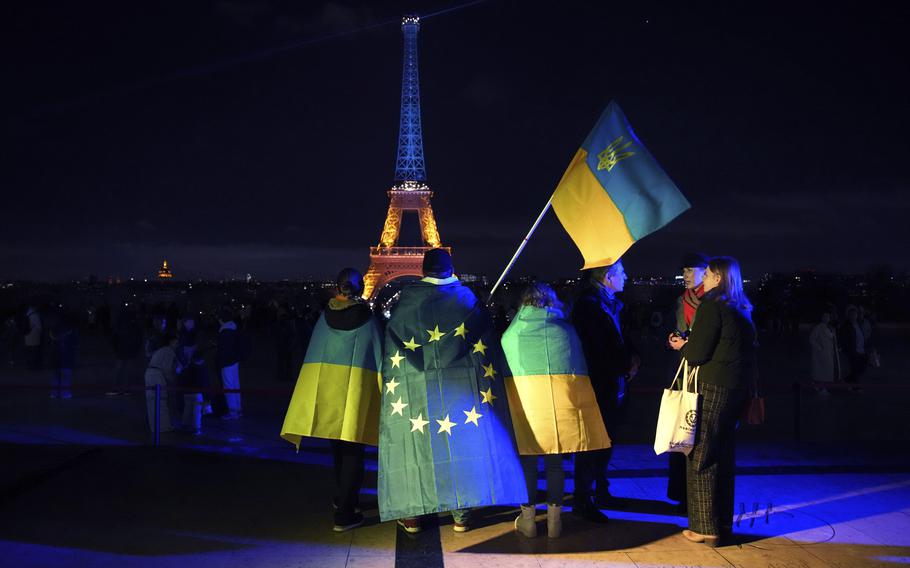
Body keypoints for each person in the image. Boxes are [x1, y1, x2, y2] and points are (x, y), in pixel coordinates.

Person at [377, 249, 526, 533]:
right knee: (460, 445)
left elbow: (393, 341)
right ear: (451, 268)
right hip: (462, 389)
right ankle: (462, 512)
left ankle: (413, 514)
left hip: (418, 389)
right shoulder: (467, 299)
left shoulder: (408, 301)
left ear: (423, 269)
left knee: (417, 446)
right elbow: (487, 343)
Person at [502, 282, 611, 539]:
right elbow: (578, 369)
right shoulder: (566, 330)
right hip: (560, 407)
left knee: (528, 464)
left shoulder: (512, 333)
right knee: (555, 464)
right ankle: (554, 522)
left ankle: (528, 521)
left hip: (526, 408)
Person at [281, 268, 383, 532]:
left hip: (328, 394)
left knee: (338, 450)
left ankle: (343, 500)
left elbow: (313, 356)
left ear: (338, 288)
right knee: (354, 451)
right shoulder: (369, 321)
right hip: (355, 394)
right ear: (360, 288)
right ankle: (346, 513)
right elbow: (380, 357)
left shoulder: (323, 319)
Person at [669, 256, 757, 547]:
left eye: (706, 274)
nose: (701, 278)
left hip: (712, 386)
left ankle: (705, 527)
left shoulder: (711, 306)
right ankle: (722, 522)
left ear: (718, 278)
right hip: (735, 389)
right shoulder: (742, 308)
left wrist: (683, 346)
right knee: (723, 456)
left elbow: (697, 354)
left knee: (702, 455)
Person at [570, 260, 639, 520]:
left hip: (611, 383)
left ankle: (600, 489)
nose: (626, 276)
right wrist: (624, 363)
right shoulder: (589, 307)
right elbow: (597, 350)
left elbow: (621, 339)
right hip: (597, 384)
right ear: (608, 277)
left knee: (606, 439)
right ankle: (583, 498)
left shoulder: (607, 304)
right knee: (592, 442)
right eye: (621, 273)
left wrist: (633, 358)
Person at [667, 253, 709, 511]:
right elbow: (680, 329)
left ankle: (697, 497)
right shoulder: (681, 301)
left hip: (705, 373)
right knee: (682, 433)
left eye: (691, 270)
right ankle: (681, 495)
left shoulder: (714, 301)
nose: (686, 275)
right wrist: (675, 338)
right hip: (685, 373)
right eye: (684, 270)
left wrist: (687, 343)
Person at [145, 333, 179, 433]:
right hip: (157, 375)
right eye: (176, 342)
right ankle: (164, 427)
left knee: (151, 402)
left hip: (149, 373)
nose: (177, 344)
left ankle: (154, 427)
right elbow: (167, 370)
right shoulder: (169, 351)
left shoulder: (161, 350)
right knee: (161, 402)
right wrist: (172, 381)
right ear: (171, 342)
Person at [109, 304, 143, 396]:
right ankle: (126, 389)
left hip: (121, 350)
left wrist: (115, 349)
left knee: (118, 370)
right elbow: (138, 338)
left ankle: (115, 388)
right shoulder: (134, 324)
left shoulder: (119, 324)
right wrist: (136, 350)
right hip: (129, 351)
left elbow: (114, 338)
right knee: (127, 371)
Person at [216, 306, 243, 420]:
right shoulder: (234, 328)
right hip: (234, 360)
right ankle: (238, 409)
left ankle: (232, 412)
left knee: (228, 386)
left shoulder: (224, 332)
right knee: (235, 385)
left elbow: (222, 350)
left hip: (226, 362)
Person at [177, 349, 209, 436]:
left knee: (187, 410)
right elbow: (204, 384)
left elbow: (182, 379)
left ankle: (184, 425)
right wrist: (207, 398)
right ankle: (197, 429)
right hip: (197, 393)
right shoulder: (201, 369)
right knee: (197, 412)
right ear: (202, 359)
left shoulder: (187, 368)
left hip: (187, 393)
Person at [49, 311, 78, 399]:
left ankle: (54, 393)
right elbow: (75, 344)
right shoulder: (71, 330)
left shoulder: (53, 330)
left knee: (56, 375)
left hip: (56, 357)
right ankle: (65, 393)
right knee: (65, 376)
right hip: (66, 357)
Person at [809, 311, 840, 394]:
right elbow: (812, 339)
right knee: (822, 372)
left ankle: (821, 387)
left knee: (827, 372)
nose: (826, 318)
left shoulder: (830, 328)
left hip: (829, 353)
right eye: (824, 316)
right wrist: (820, 348)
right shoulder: (818, 327)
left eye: (828, 317)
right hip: (821, 354)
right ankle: (821, 388)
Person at [839, 305, 868, 388]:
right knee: (855, 370)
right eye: (851, 314)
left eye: (855, 314)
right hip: (853, 352)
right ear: (848, 315)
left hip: (862, 350)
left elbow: (862, 335)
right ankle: (856, 388)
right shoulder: (846, 326)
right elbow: (843, 339)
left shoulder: (858, 323)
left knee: (861, 369)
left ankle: (846, 380)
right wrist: (847, 350)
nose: (853, 316)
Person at [24, 305, 43, 370]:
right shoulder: (35, 315)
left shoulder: (27, 315)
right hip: (34, 334)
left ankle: (29, 365)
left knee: (29, 351)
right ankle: (34, 366)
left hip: (27, 335)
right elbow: (39, 326)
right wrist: (40, 332)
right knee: (35, 351)